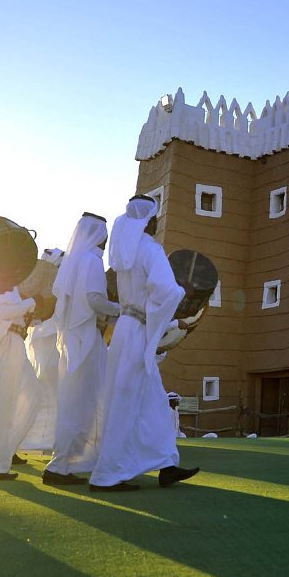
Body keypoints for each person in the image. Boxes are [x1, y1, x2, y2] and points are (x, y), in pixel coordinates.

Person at [91, 196, 202, 489]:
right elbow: (165, 291)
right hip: (138, 330)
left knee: (153, 402)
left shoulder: (125, 252)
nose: (157, 222)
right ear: (150, 220)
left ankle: (166, 464)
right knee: (126, 403)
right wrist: (182, 292)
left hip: (126, 328)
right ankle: (107, 475)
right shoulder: (151, 249)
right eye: (155, 217)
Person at [43, 214, 120, 485]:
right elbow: (95, 299)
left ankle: (68, 464)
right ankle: (60, 465)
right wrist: (122, 311)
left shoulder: (77, 262)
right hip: (85, 340)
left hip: (76, 339)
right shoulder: (91, 262)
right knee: (82, 404)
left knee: (77, 402)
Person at [0, 287, 52, 480]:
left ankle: (0, 455)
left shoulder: (11, 285)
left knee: (33, 395)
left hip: (15, 343)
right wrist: (29, 302)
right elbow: (1, 312)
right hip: (3, 343)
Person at [22, 247, 63, 453]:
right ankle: (33, 440)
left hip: (52, 340)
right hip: (45, 340)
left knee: (53, 393)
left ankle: (48, 441)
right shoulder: (36, 293)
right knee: (45, 391)